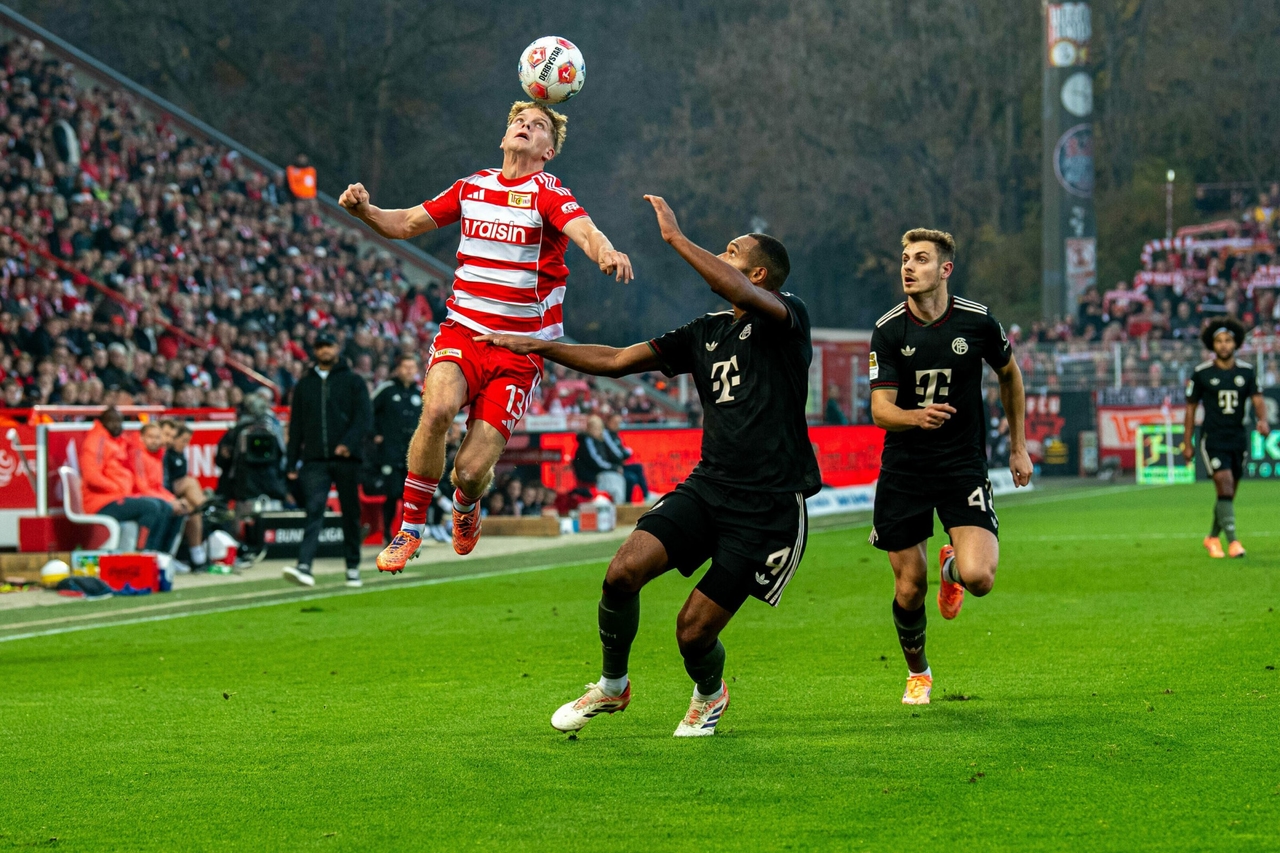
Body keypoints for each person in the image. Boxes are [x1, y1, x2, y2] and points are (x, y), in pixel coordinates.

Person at [480, 195, 819, 737]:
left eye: (730, 251)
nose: (720, 254)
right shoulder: (704, 333)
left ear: (758, 274)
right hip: (709, 488)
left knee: (692, 633)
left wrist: (678, 240)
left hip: (768, 507)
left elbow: (738, 291)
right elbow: (616, 361)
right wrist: (537, 345)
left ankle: (710, 694)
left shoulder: (788, 317)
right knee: (621, 574)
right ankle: (613, 687)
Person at [337, 100, 633, 570]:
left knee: (471, 472)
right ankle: (409, 528)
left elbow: (586, 230)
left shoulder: (548, 193)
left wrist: (607, 251)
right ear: (504, 136)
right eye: (519, 121)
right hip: (463, 331)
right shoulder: (472, 186)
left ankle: (465, 505)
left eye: (538, 127)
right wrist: (365, 211)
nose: (525, 128)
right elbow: (408, 223)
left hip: (519, 351)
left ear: (547, 151)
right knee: (435, 411)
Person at [868, 228, 1032, 706]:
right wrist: (916, 417)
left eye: (920, 259)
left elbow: (1010, 375)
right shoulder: (889, 329)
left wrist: (1018, 447)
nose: (908, 266)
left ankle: (952, 570)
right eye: (904, 258)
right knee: (908, 584)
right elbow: (881, 410)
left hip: (962, 465)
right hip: (905, 468)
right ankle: (918, 673)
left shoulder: (978, 322)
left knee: (980, 578)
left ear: (945, 270)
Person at [282, 332, 372, 588]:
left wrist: (348, 444)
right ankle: (304, 566)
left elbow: (364, 418)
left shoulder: (353, 381)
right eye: (319, 346)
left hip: (347, 459)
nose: (324, 351)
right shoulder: (304, 385)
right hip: (315, 460)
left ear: (337, 348)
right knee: (314, 510)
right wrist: (291, 463)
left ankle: (352, 566)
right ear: (315, 351)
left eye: (328, 346)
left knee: (350, 513)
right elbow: (296, 426)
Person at [1183, 317, 1270, 558]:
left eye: (1228, 340)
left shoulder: (1247, 372)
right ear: (1212, 345)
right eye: (1219, 341)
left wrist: (1263, 421)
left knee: (1227, 492)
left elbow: (1258, 400)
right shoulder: (1201, 374)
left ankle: (1212, 538)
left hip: (1237, 438)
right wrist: (1187, 441)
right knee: (1224, 482)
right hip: (1213, 438)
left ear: (1235, 343)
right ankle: (1233, 543)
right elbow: (1190, 409)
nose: (1223, 345)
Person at [79, 407, 183, 553]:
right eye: (112, 422)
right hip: (101, 501)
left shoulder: (119, 442)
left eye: (120, 422)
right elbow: (92, 476)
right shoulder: (97, 440)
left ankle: (159, 554)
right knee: (152, 507)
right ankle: (143, 553)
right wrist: (117, 488)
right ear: (102, 422)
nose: (117, 425)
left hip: (117, 496)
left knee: (164, 507)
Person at [370, 354, 422, 542]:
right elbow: (368, 410)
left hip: (413, 453)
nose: (409, 370)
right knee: (392, 493)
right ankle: (386, 533)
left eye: (412, 367)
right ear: (397, 370)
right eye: (405, 367)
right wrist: (375, 434)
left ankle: (407, 533)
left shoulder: (420, 392)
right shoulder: (386, 390)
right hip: (390, 452)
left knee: (410, 495)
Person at [128, 422, 192, 561]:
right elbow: (141, 487)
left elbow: (158, 487)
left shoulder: (157, 455)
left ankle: (165, 555)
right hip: (136, 497)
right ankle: (148, 552)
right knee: (161, 507)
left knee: (178, 509)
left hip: (152, 497)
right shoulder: (138, 454)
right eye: (151, 437)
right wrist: (169, 501)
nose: (155, 441)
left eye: (157, 437)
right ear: (141, 437)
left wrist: (173, 500)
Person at [159, 420, 208, 568]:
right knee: (190, 483)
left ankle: (196, 556)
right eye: (183, 440)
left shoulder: (179, 456)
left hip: (170, 494)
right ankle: (206, 506)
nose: (185, 444)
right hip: (162, 494)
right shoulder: (164, 454)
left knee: (193, 511)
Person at [572, 414, 624, 501]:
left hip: (598, 473)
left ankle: (620, 506)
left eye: (600, 428)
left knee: (619, 478)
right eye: (596, 428)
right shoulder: (588, 441)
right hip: (591, 475)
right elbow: (597, 462)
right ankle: (616, 507)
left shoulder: (598, 441)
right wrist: (614, 468)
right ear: (589, 428)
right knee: (613, 479)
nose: (599, 431)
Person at [603, 411, 650, 502]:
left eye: (619, 423)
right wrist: (625, 454)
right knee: (631, 478)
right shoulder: (606, 434)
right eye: (615, 423)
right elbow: (618, 453)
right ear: (608, 422)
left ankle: (646, 496)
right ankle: (626, 503)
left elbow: (622, 450)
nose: (617, 425)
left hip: (619, 466)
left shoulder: (615, 435)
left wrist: (625, 453)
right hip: (612, 467)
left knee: (638, 467)